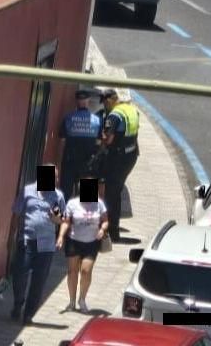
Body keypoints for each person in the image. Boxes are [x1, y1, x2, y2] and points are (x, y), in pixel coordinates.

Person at [9, 164, 66, 325]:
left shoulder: (58, 196)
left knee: (39, 281)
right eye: (53, 177)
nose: (56, 180)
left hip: (46, 245)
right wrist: (11, 239)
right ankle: (18, 303)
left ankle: (28, 314)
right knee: (20, 275)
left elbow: (63, 219)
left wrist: (57, 221)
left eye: (56, 177)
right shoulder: (27, 191)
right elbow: (16, 214)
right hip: (27, 240)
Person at [57, 177, 108, 313]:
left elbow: (105, 220)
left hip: (91, 242)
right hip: (74, 240)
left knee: (86, 270)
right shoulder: (73, 204)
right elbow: (66, 221)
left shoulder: (99, 204)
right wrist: (61, 236)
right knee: (72, 271)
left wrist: (102, 229)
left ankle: (82, 299)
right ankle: (72, 301)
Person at [100, 89, 140, 241]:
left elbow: (108, 139)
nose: (104, 105)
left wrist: (101, 137)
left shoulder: (114, 115)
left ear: (110, 100)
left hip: (117, 157)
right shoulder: (131, 110)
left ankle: (111, 231)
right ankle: (110, 229)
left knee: (111, 194)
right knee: (115, 191)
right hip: (130, 156)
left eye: (104, 102)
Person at [59, 88, 102, 199]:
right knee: (88, 197)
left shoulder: (68, 118)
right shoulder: (97, 121)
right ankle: (87, 215)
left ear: (76, 101)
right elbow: (99, 142)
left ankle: (63, 215)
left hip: (70, 160)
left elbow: (62, 141)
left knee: (65, 194)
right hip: (88, 162)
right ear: (88, 101)